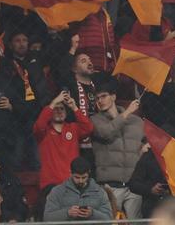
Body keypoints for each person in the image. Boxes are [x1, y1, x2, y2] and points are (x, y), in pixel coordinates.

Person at [89, 81, 144, 219]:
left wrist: (145, 147)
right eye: (97, 98)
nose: (100, 101)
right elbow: (106, 133)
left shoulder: (136, 121)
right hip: (110, 186)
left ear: (113, 97)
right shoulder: (94, 120)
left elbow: (150, 141)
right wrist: (127, 112)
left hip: (134, 187)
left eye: (103, 96)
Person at [43, 156, 113, 222]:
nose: (81, 181)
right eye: (77, 177)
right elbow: (47, 218)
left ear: (89, 173)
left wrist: (93, 213)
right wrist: (67, 213)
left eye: (84, 177)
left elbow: (109, 219)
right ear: (70, 173)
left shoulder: (100, 192)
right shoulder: (57, 191)